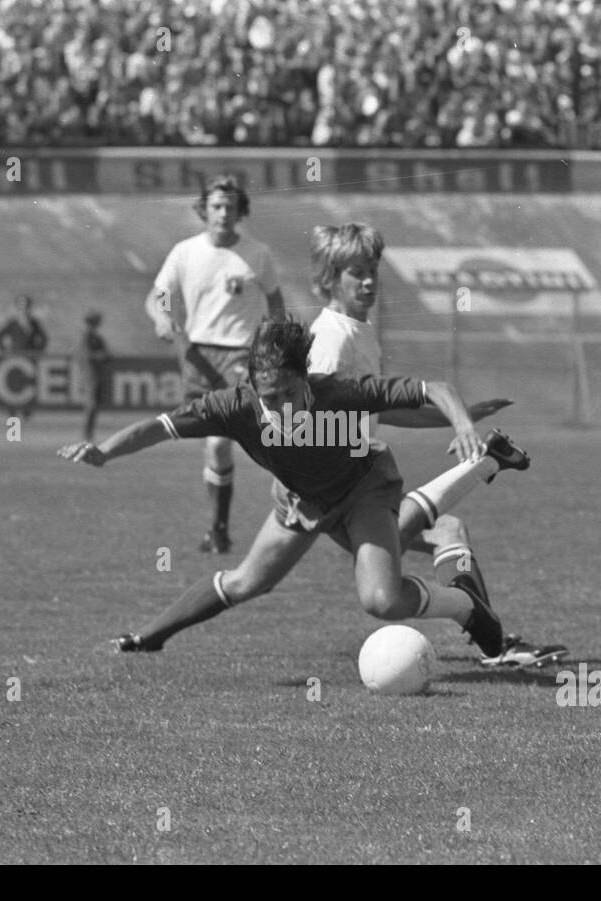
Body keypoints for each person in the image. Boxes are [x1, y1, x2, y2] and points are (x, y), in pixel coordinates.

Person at [57, 320, 538, 666]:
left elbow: (434, 388)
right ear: (251, 388)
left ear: (306, 382)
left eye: (290, 394)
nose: (282, 407)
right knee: (248, 582)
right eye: (270, 399)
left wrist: (462, 422)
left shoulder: (341, 393)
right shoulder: (232, 406)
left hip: (363, 489)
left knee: (381, 600)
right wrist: (104, 451)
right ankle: (146, 639)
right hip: (301, 501)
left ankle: (466, 607)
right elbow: (159, 428)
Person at [305, 222, 567, 667]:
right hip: (342, 496)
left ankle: (492, 641)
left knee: (449, 531)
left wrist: (461, 414)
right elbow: (316, 422)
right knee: (380, 596)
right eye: (356, 272)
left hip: (352, 491)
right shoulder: (333, 339)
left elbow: (379, 411)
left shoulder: (356, 330)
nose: (369, 281)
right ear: (329, 277)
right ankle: (493, 639)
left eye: (372, 270)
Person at [145, 174, 286, 555]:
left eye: (231, 207)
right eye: (217, 206)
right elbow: (157, 296)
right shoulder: (184, 252)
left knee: (224, 442)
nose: (224, 213)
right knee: (214, 446)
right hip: (198, 356)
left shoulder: (258, 254)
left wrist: (272, 342)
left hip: (241, 355)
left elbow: (275, 302)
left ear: (241, 211)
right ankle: (218, 530)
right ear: (204, 209)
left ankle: (289, 509)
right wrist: (162, 318)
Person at [0, 296, 49, 418]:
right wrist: (4, 351)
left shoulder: (34, 323)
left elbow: (44, 338)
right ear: (17, 307)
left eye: (26, 306)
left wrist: (38, 351)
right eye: (21, 306)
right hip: (15, 359)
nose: (24, 309)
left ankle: (27, 411)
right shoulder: (12, 323)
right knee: (13, 384)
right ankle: (12, 412)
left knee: (29, 384)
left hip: (30, 358)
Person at [78, 311, 111, 442]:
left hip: (97, 375)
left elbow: (106, 355)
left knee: (95, 406)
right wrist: (99, 356)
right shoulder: (86, 338)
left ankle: (89, 433)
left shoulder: (97, 338)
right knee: (91, 405)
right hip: (89, 376)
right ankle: (87, 434)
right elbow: (86, 356)